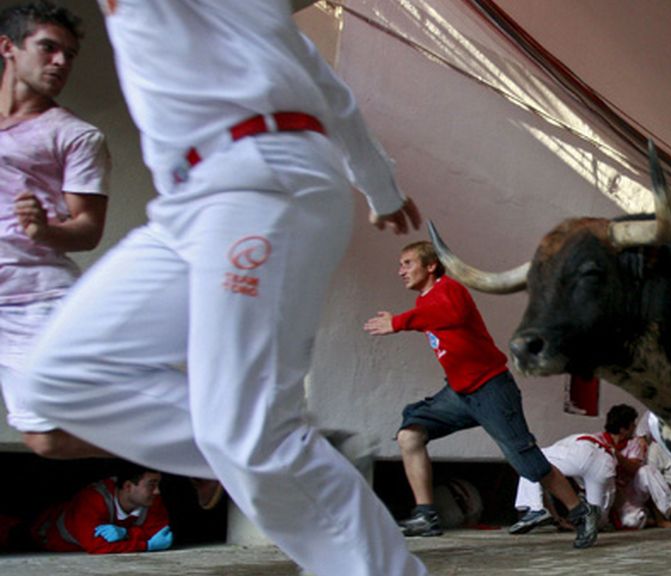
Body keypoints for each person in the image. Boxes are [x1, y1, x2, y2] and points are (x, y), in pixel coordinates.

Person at [21, 2, 427, 575]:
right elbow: (325, 81)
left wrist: (377, 183)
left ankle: (270, 446)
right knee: (58, 381)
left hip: (259, 179)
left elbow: (320, 84)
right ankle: (273, 447)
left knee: (248, 433)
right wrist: (379, 186)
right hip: (188, 204)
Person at [364, 240, 601, 548]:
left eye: (407, 263)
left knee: (526, 461)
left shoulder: (449, 290)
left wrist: (398, 322)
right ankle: (426, 515)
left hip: (491, 388)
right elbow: (434, 319)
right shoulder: (424, 303)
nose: (401, 271)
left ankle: (581, 511)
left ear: (431, 266)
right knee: (410, 434)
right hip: (460, 394)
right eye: (400, 265)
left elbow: (449, 314)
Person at [0, 0, 110, 458]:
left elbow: (87, 230)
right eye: (48, 48)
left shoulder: (76, 136)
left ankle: (196, 450)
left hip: (35, 302)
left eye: (68, 53)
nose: (61, 61)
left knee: (45, 440)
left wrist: (44, 230)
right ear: (8, 47)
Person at [510, 404, 638, 534]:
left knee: (530, 460)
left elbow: (545, 475)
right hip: (604, 463)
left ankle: (536, 507)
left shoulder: (590, 439)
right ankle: (587, 520)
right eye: (633, 425)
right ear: (623, 429)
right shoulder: (624, 443)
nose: (635, 428)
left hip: (583, 453)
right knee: (596, 522)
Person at [28, 463, 172, 554]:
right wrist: (146, 545)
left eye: (158, 484)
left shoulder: (151, 500)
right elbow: (98, 547)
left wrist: (127, 534)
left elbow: (161, 533)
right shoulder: (93, 499)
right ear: (128, 486)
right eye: (151, 484)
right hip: (43, 535)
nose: (157, 491)